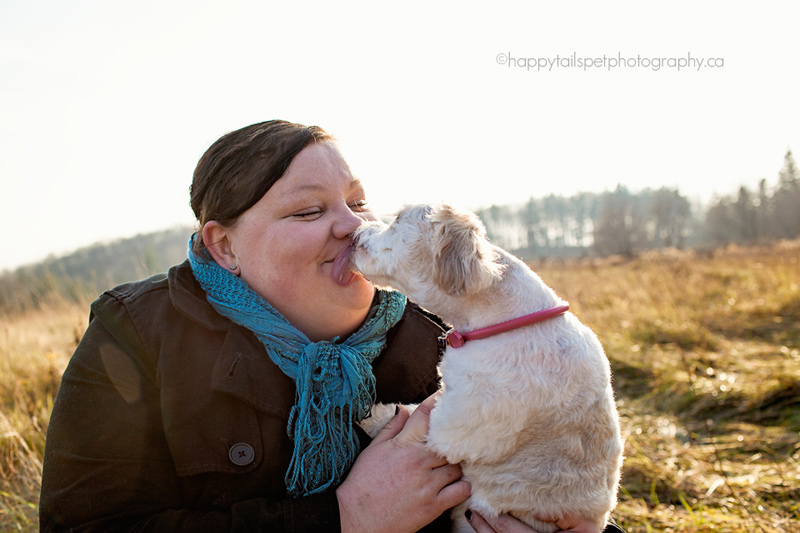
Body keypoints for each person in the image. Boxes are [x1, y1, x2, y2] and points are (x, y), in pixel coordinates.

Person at [39, 120, 623, 533]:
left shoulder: (444, 336)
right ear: (224, 246)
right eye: (309, 210)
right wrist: (344, 521)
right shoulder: (138, 336)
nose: (351, 226)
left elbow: (554, 485)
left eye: (358, 202)